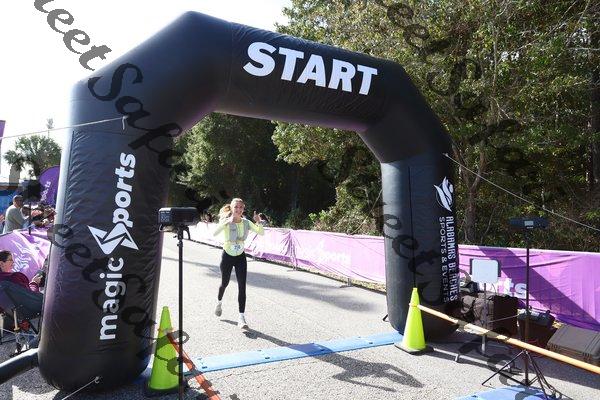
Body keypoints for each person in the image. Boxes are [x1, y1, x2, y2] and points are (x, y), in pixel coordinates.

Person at [213, 198, 265, 329]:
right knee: (224, 283)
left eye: (241, 207)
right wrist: (227, 222)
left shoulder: (246, 222)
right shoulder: (226, 221)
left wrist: (259, 222)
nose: (238, 209)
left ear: (243, 209)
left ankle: (241, 318)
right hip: (227, 256)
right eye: (236, 207)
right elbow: (214, 233)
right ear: (231, 208)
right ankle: (219, 302)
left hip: (240, 257)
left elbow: (261, 232)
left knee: (242, 287)